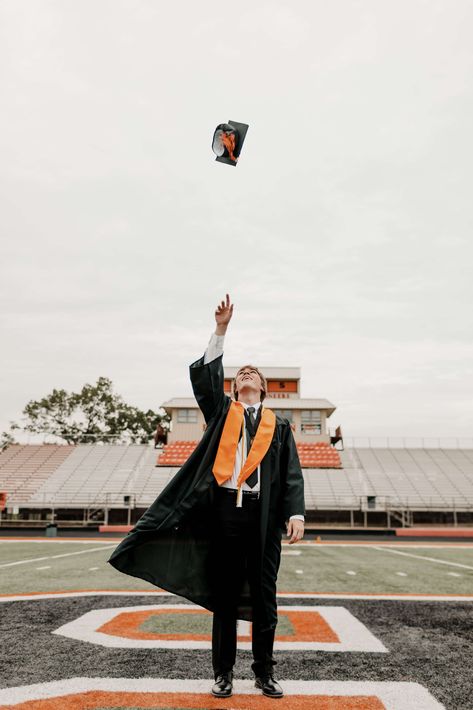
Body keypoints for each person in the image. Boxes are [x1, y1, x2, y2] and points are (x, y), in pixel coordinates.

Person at [107, 293, 305, 699]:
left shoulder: (279, 427)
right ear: (234, 388)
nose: (248, 374)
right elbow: (204, 379)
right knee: (227, 595)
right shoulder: (222, 414)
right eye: (242, 373)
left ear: (263, 390)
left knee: (266, 595)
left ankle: (265, 673)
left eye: (255, 373)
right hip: (224, 515)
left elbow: (291, 475)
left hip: (263, 517)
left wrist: (296, 513)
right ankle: (224, 674)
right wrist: (220, 331)